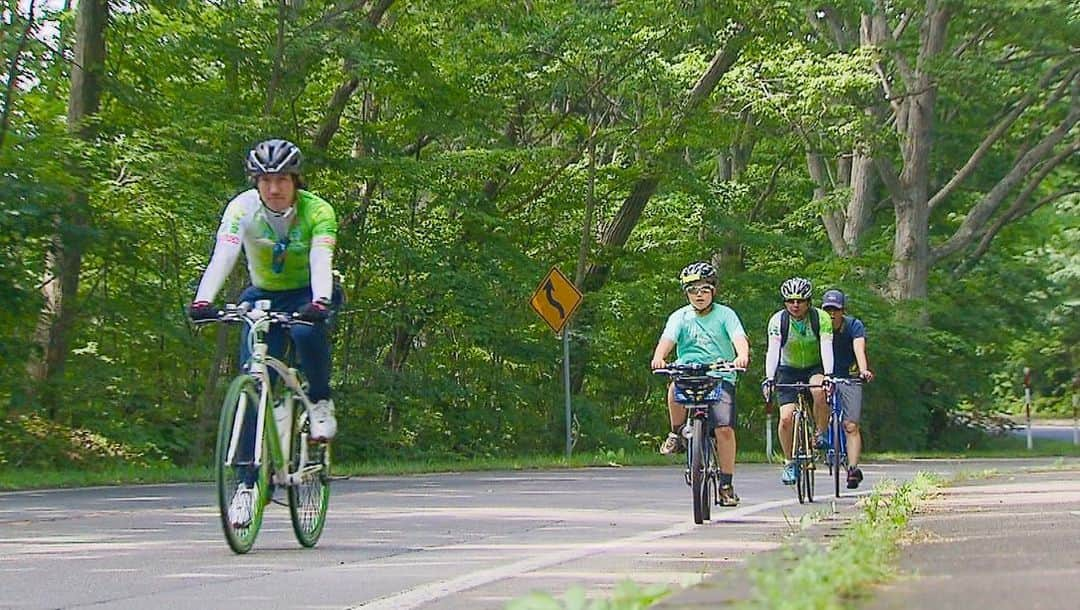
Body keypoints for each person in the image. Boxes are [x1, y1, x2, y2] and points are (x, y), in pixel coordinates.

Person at [188, 138, 340, 527]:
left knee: (306, 334)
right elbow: (224, 253)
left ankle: (320, 402)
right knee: (253, 383)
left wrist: (320, 301)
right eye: (266, 180)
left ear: (296, 181)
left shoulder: (317, 211)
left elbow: (322, 258)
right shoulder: (241, 209)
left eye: (283, 180)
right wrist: (204, 300)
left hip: (309, 292)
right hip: (264, 294)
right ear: (256, 182)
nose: (274, 188)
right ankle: (247, 487)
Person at [650, 261, 751, 506]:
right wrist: (659, 357)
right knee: (674, 388)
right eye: (693, 290)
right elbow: (667, 339)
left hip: (719, 374)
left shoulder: (726, 314)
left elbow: (739, 338)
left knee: (724, 429)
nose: (699, 295)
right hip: (689, 372)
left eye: (704, 289)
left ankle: (726, 484)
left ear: (713, 290)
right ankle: (676, 433)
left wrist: (741, 356)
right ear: (686, 293)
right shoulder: (680, 316)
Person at [761, 277, 834, 485]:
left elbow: (826, 347)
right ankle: (789, 462)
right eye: (790, 301)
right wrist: (769, 378)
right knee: (786, 418)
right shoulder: (778, 321)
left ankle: (820, 434)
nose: (795, 305)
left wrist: (828, 375)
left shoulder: (821, 318)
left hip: (814, 366)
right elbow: (773, 351)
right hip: (787, 369)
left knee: (819, 390)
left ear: (809, 302)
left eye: (800, 301)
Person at [820, 289, 874, 489]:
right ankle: (818, 437)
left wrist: (864, 370)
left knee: (851, 425)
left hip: (848, 376)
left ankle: (852, 468)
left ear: (843, 310)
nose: (832, 314)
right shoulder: (819, 325)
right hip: (825, 375)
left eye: (836, 310)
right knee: (816, 400)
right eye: (828, 310)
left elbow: (859, 348)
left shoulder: (854, 326)